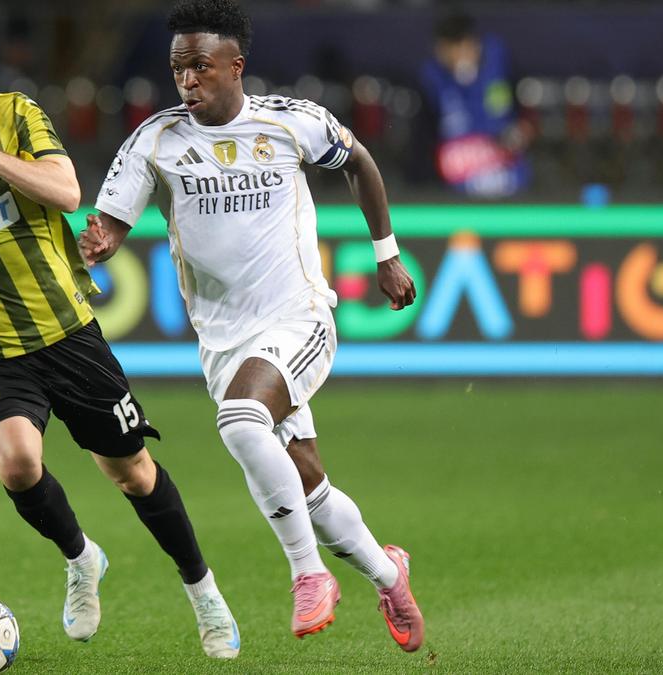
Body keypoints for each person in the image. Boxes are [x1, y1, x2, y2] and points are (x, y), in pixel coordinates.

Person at [0, 15, 240, 659]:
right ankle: (81, 557)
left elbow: (67, 193)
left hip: (65, 332)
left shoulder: (16, 116)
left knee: (131, 473)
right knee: (16, 463)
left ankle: (203, 589)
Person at [79, 0, 425, 651]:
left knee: (240, 421)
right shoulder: (156, 139)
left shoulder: (292, 121)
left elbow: (359, 161)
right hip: (223, 341)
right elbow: (112, 225)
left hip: (299, 317)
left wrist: (387, 254)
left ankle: (308, 574)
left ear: (235, 66)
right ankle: (389, 574)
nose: (187, 81)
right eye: (178, 69)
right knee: (309, 488)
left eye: (201, 67)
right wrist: (99, 245)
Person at [419, 9, 531, 198]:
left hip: (508, 175)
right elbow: (425, 140)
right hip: (458, 183)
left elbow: (522, 116)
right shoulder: (431, 79)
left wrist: (519, 130)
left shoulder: (499, 62)